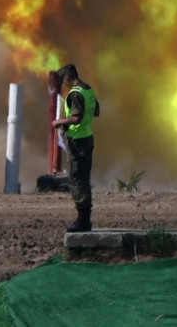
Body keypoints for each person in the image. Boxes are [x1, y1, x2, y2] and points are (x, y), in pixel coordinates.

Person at [51, 63, 100, 233]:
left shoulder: (76, 94)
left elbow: (76, 118)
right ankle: (84, 219)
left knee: (77, 179)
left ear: (66, 79)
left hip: (78, 141)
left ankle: (83, 220)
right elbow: (96, 111)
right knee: (83, 178)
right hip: (87, 137)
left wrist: (59, 122)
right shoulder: (88, 90)